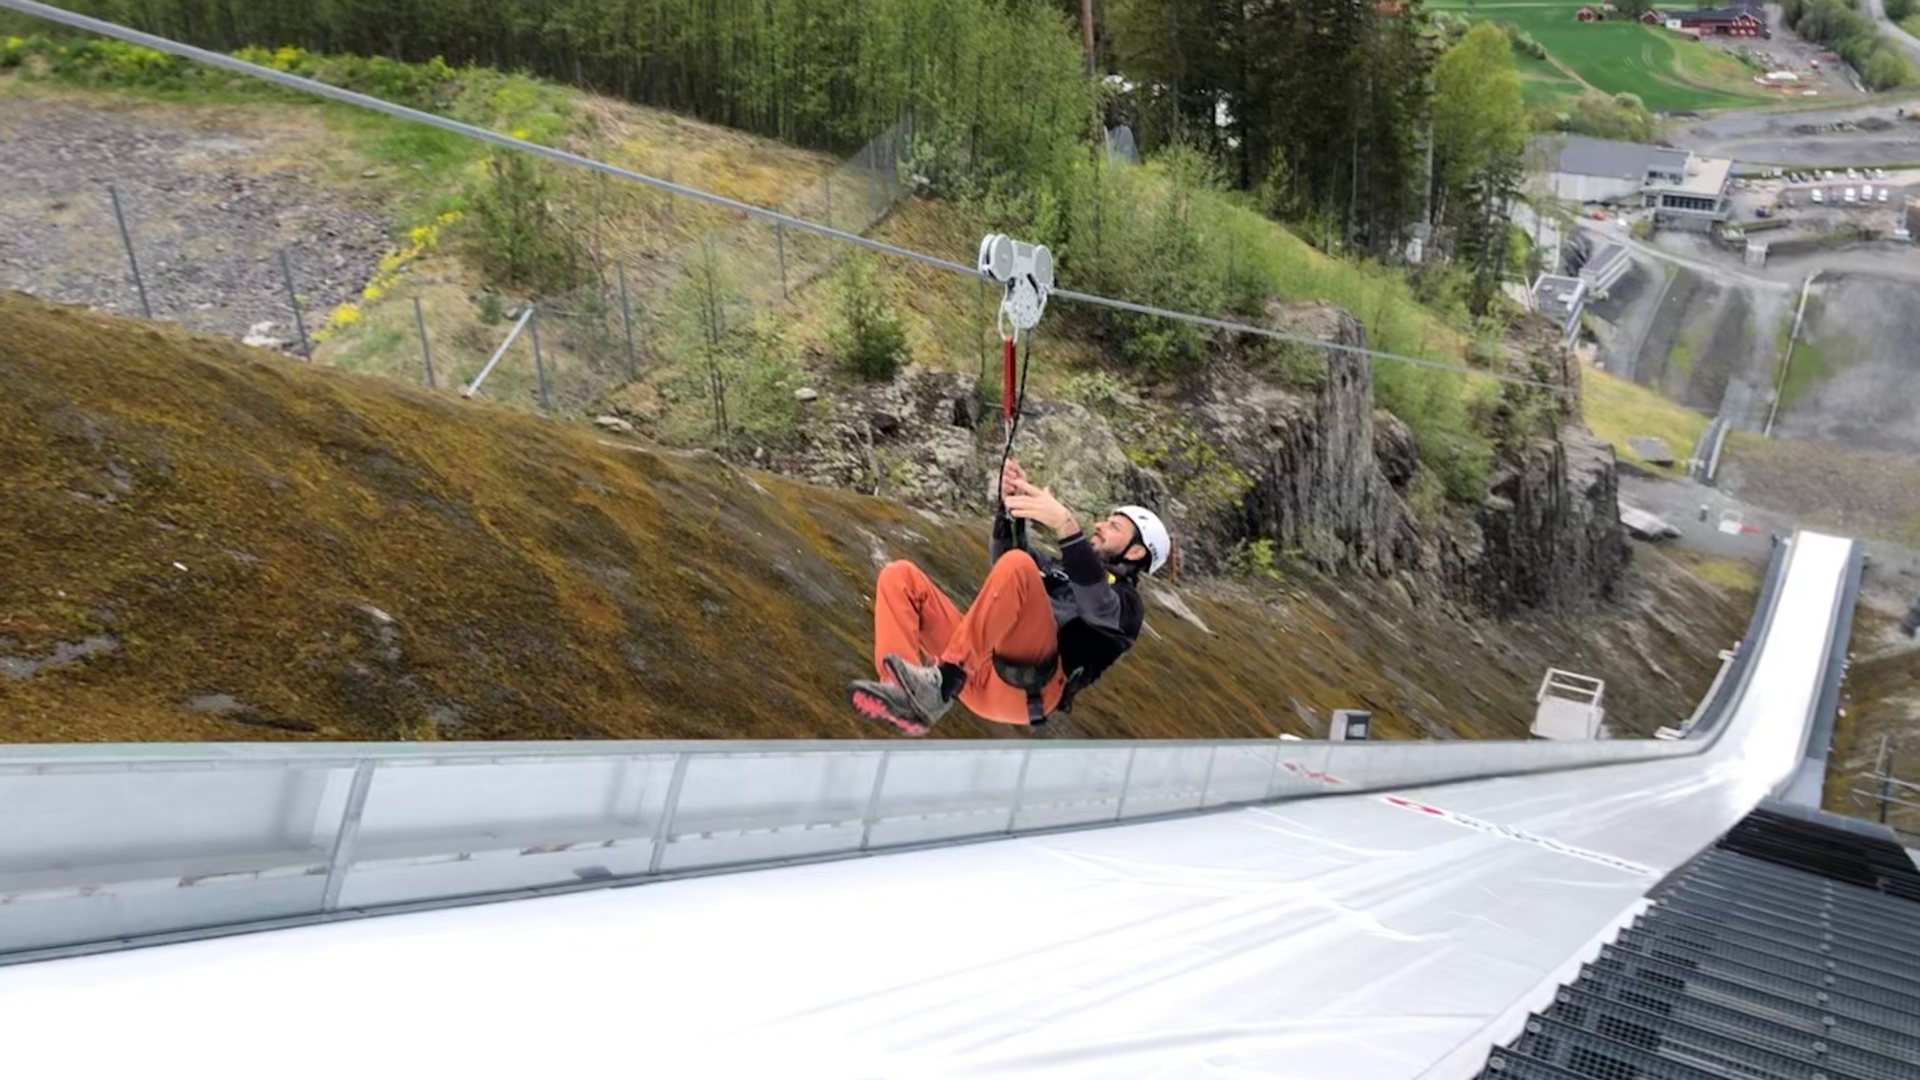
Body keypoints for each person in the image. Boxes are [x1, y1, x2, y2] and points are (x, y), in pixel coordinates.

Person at [848, 458, 1170, 735]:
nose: (1100, 525)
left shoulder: (1128, 606)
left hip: (1028, 688)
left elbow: (1096, 603)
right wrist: (1010, 510)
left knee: (1020, 566)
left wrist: (1065, 525)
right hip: (976, 672)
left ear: (1137, 551)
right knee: (899, 576)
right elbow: (1008, 564)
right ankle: (900, 692)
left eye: (1114, 527)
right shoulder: (1059, 568)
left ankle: (939, 683)